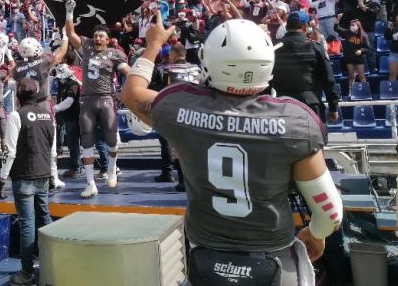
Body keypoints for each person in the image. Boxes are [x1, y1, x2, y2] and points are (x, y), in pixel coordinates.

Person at [121, 14, 343, 286]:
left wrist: (153, 45)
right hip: (273, 258)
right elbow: (330, 211)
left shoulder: (180, 108)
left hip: (206, 257)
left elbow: (132, 93)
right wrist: (316, 232)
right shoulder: (295, 120)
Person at [64, 0, 130, 198]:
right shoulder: (87, 48)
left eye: (101, 36)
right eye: (95, 36)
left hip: (107, 99)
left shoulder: (115, 53)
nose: (98, 39)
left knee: (111, 139)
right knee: (87, 141)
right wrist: (69, 13)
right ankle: (90, 183)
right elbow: (70, 33)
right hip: (87, 100)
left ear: (108, 39)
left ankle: (111, 168)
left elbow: (128, 72)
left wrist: (126, 90)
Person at [0, 78, 55, 286]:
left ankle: (27, 273)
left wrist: (3, 178)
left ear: (18, 95)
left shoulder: (15, 115)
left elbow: (9, 151)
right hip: (44, 173)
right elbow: (53, 149)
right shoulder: (48, 114)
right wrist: (54, 175)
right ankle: (52, 264)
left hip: (24, 176)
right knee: (45, 218)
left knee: (28, 225)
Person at [11, 35, 68, 189]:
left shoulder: (17, 69)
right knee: (51, 140)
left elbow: (15, 80)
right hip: (42, 104)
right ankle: (53, 176)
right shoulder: (43, 60)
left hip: (25, 108)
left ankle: (31, 174)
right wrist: (66, 38)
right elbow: (62, 53)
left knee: (29, 142)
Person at [270, 11, 340, 123]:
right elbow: (328, 80)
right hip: (310, 105)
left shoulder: (274, 48)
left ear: (287, 27)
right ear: (304, 27)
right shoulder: (316, 47)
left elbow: (267, 79)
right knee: (314, 139)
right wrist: (333, 107)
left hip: (282, 105)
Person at [158, 43, 201, 191]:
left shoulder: (169, 70)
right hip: (197, 109)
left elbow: (166, 91)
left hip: (178, 111)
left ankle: (183, 181)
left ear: (174, 54)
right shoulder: (196, 68)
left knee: (178, 148)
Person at [54, 64, 81, 179]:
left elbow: (69, 101)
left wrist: (54, 109)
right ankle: (75, 167)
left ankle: (76, 168)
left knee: (73, 144)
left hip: (74, 117)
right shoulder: (62, 84)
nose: (59, 79)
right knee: (72, 144)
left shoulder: (73, 84)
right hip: (67, 117)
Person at [336, 17, 371, 91]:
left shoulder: (363, 36)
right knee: (351, 76)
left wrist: (361, 51)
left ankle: (365, 91)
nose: (351, 26)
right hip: (349, 58)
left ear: (358, 26)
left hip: (359, 58)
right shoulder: (347, 32)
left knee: (361, 76)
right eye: (351, 25)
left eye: (353, 25)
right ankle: (351, 92)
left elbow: (368, 48)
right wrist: (337, 21)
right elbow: (337, 29)